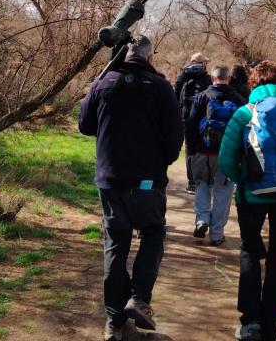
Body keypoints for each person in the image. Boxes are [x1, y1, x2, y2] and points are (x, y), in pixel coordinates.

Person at [78, 35, 184, 341]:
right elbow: (175, 138)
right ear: (150, 57)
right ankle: (138, 299)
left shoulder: (104, 82)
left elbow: (84, 125)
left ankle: (114, 322)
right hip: (147, 182)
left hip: (110, 180)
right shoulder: (162, 88)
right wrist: (160, 163)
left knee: (115, 243)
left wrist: (97, 86)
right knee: (152, 233)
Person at [218, 61, 276, 341]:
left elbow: (226, 160)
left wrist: (243, 180)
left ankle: (251, 324)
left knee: (250, 252)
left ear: (254, 84)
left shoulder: (244, 114)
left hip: (252, 196)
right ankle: (272, 328)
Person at [185, 65, 247, 246]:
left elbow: (190, 126)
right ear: (229, 78)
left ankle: (202, 219)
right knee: (223, 192)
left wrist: (191, 151)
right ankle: (217, 234)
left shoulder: (201, 97)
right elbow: (243, 128)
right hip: (226, 155)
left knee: (202, 185)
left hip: (202, 153)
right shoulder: (238, 99)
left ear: (212, 78)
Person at [175, 52, 212, 194]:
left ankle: (192, 183)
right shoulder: (206, 77)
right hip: (204, 117)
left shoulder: (183, 77)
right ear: (203, 63)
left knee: (190, 148)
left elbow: (176, 94)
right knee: (204, 145)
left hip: (186, 118)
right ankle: (205, 179)